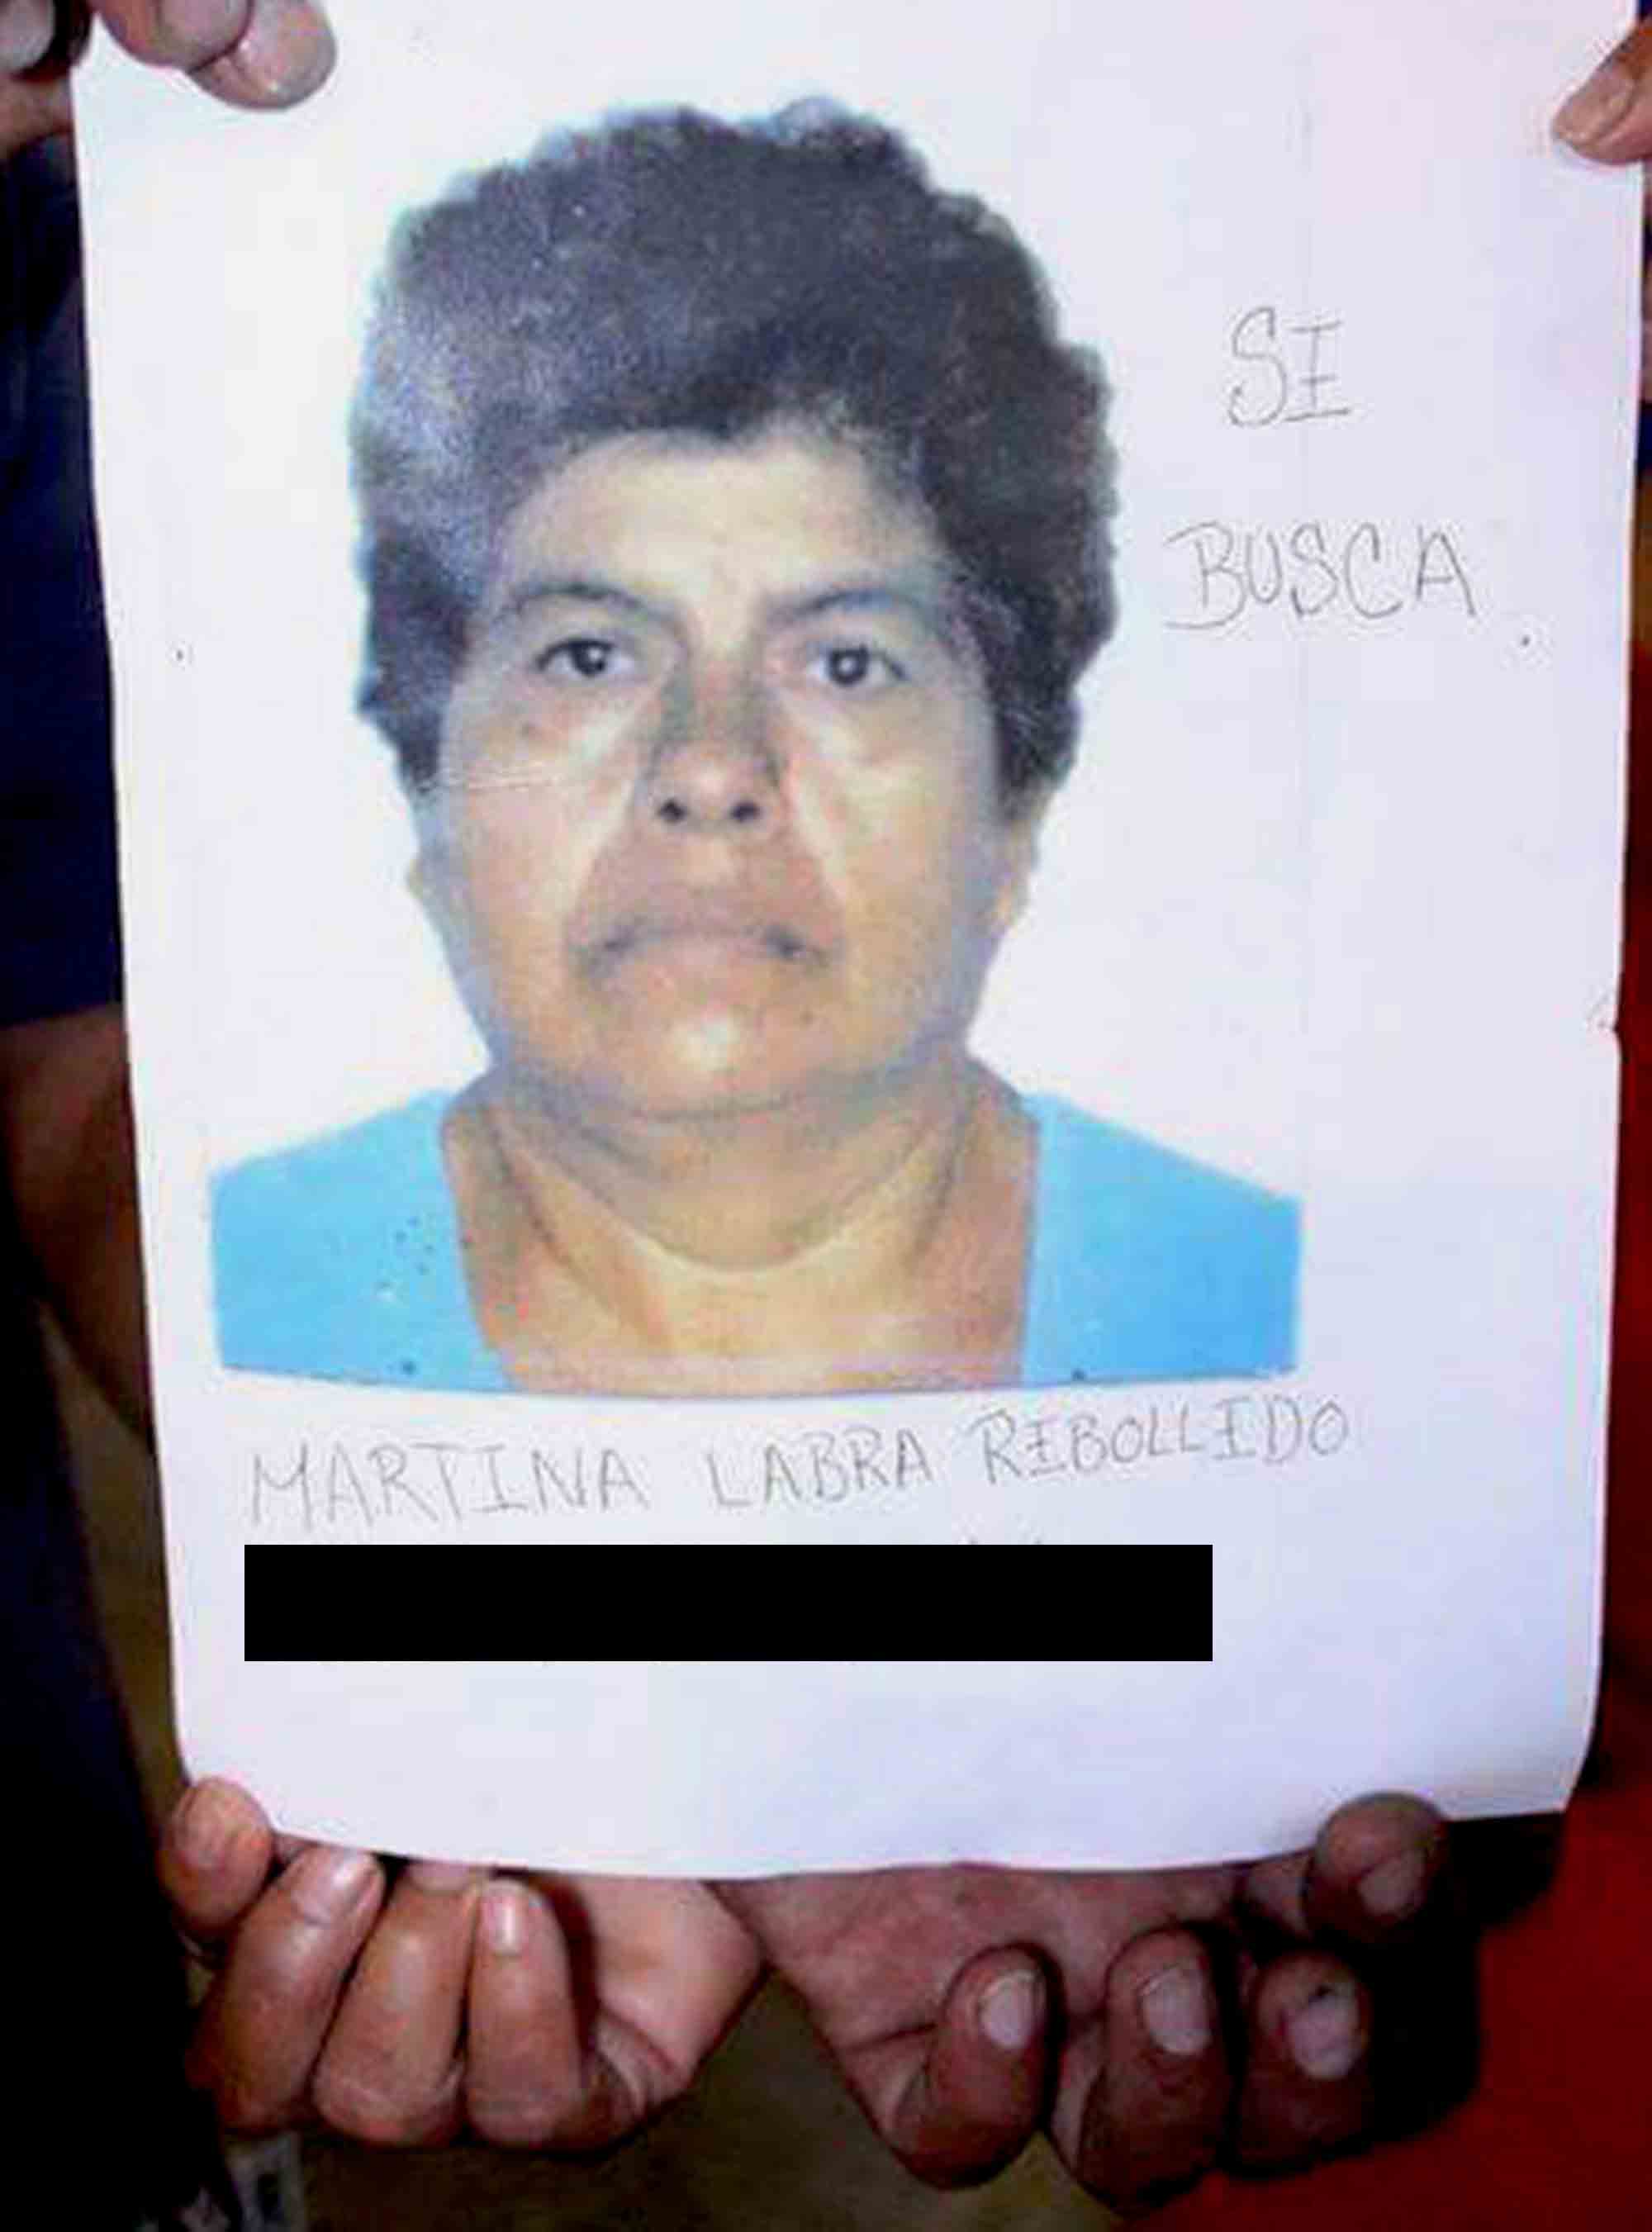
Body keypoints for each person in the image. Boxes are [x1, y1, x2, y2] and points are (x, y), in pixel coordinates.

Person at [211, 107, 1298, 1400]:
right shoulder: (220, 1314)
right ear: (424, 787)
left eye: (846, 664)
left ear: (1013, 815)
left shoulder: (1289, 1314)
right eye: (588, 656)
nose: (712, 768)